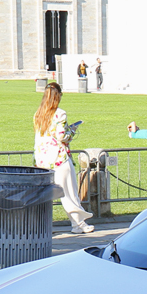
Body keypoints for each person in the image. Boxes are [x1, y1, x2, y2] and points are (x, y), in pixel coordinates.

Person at [33, 81, 93, 236]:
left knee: (45, 195)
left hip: (42, 159)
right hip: (59, 158)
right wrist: (71, 131)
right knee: (69, 192)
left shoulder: (38, 114)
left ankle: (42, 226)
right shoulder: (60, 113)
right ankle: (78, 223)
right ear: (58, 96)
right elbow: (62, 136)